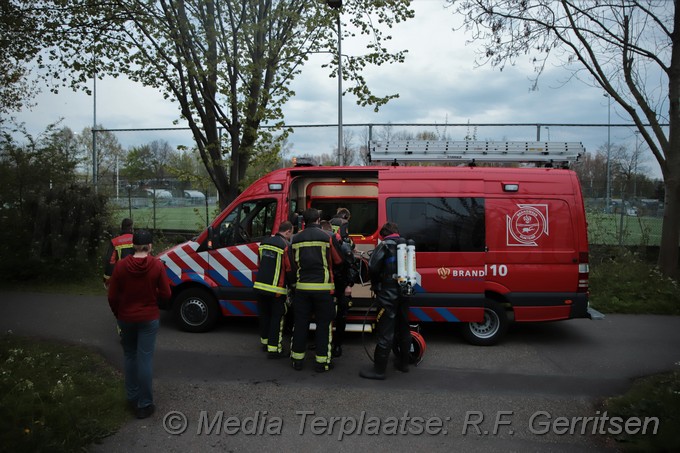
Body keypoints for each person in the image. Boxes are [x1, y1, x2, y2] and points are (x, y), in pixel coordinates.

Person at [107, 229, 171, 419]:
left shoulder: (120, 267)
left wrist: (119, 313)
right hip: (149, 318)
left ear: (133, 245)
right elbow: (167, 294)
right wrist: (153, 299)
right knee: (145, 359)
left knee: (129, 356)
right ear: (150, 246)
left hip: (126, 318)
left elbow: (112, 296)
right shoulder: (157, 266)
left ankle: (132, 397)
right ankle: (145, 404)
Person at [287, 208, 343, 372]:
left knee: (300, 324)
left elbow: (290, 265)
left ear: (303, 221)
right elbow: (338, 260)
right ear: (318, 220)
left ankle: (297, 360)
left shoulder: (295, 239)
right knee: (323, 325)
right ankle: (322, 362)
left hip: (302, 288)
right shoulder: (328, 237)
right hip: (324, 289)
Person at [360, 221, 411, 380]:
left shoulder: (385, 245)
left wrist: (376, 284)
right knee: (403, 328)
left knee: (385, 332)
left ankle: (379, 370)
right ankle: (404, 364)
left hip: (388, 294)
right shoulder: (406, 246)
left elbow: (373, 267)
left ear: (384, 234)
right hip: (404, 291)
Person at [254, 221, 294, 359]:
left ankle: (265, 343)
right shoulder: (286, 246)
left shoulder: (264, 243)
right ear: (288, 231)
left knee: (264, 316)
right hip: (277, 289)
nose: (291, 236)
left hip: (260, 286)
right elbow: (289, 268)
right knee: (277, 318)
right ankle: (274, 349)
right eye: (291, 233)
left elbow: (259, 263)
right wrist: (293, 284)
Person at [329, 208, 356, 358]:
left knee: (325, 314)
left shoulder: (326, 227)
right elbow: (350, 261)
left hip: (328, 278)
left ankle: (325, 341)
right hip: (341, 279)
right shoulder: (345, 233)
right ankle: (337, 346)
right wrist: (349, 285)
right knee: (341, 315)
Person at [103, 218, 135, 287]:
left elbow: (110, 261)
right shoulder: (138, 239)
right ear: (132, 227)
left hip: (121, 276)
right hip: (136, 274)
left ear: (121, 227)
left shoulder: (115, 242)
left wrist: (107, 278)